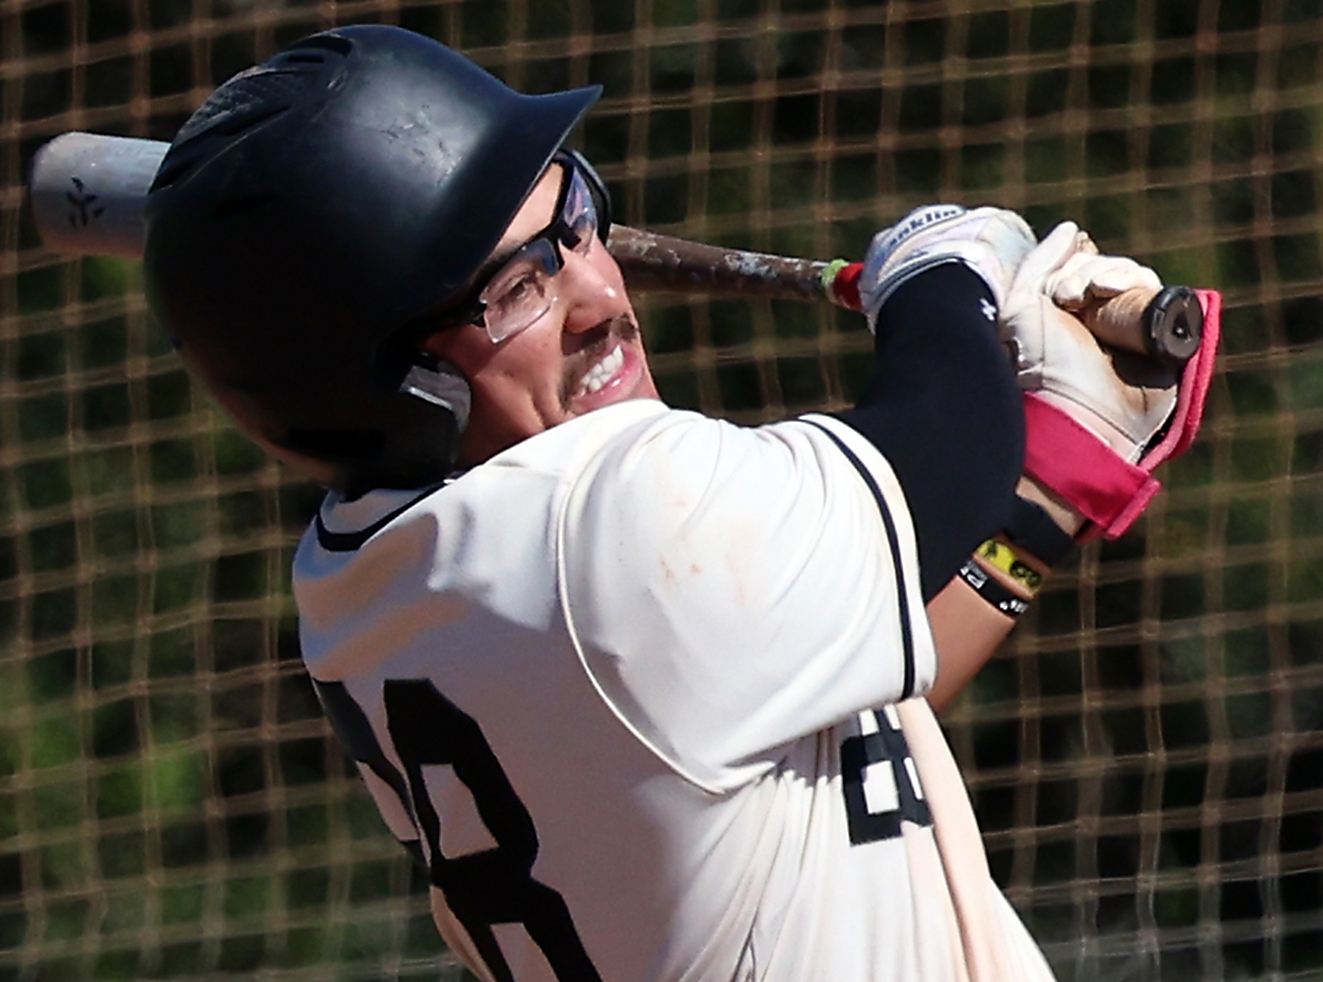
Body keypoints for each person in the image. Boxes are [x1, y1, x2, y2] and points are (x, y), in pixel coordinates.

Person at [141, 24, 1213, 982]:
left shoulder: (364, 582)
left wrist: (1051, 492)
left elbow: (833, 739)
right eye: (515, 289)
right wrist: (942, 278)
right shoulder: (600, 530)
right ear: (389, 388)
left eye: (575, 219)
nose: (602, 295)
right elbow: (936, 461)